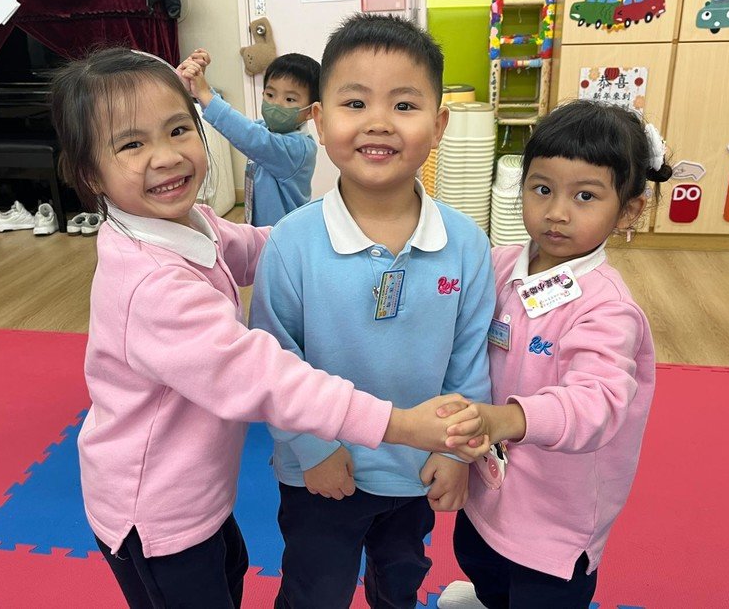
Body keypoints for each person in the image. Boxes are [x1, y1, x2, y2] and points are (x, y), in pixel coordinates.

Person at [49, 47, 489, 609]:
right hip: (154, 511)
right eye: (132, 144)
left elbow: (260, 244)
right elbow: (261, 375)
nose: (166, 156)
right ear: (91, 174)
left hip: (203, 492)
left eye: (178, 129)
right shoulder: (149, 284)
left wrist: (327, 239)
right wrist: (398, 425)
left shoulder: (193, 224)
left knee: (231, 574)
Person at [248, 14, 496, 609]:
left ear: (438, 125)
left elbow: (469, 361)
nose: (378, 122)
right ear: (319, 120)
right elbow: (274, 362)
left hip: (416, 468)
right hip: (321, 470)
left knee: (401, 583)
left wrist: (454, 451)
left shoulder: (466, 244)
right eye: (355, 103)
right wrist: (314, 448)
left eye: (404, 105)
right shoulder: (291, 243)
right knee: (315, 590)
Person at [439, 99, 673, 608]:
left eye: (585, 196)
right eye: (542, 189)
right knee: (479, 555)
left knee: (542, 589)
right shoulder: (500, 265)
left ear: (628, 210)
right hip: (492, 480)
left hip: (559, 508)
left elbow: (598, 400)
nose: (557, 212)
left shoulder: (608, 308)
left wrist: (508, 418)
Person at [177, 49, 318, 227]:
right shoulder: (265, 128)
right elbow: (240, 126)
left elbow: (249, 135)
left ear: (311, 111)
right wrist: (198, 89)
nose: (276, 104)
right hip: (258, 227)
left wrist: (205, 94)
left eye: (290, 99)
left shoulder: (299, 149)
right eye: (270, 95)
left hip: (283, 235)